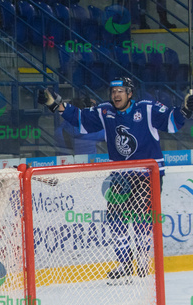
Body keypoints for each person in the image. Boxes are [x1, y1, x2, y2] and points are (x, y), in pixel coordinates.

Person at [38, 77, 193, 281]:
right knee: (115, 220)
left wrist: (185, 109)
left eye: (120, 91)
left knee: (140, 219)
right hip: (121, 175)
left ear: (130, 93)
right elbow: (80, 118)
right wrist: (55, 104)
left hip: (147, 175)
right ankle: (126, 263)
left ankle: (143, 259)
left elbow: (172, 122)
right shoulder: (105, 111)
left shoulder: (147, 109)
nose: (115, 95)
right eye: (113, 91)